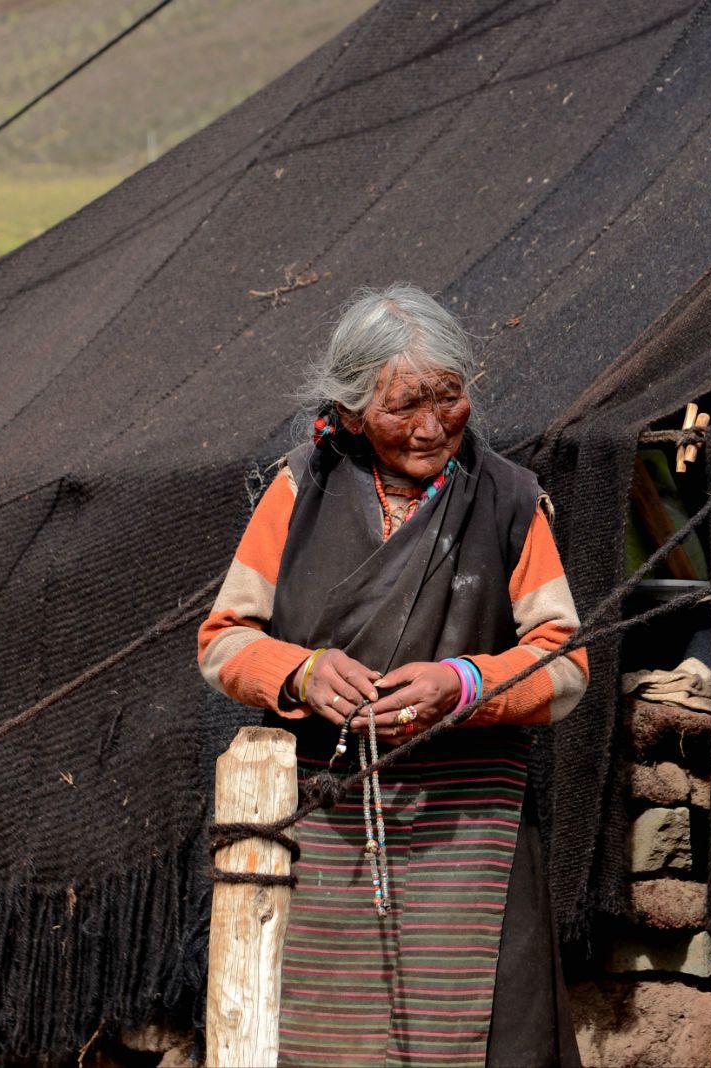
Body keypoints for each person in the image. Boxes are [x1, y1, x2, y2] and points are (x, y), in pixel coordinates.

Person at [197, 284, 588, 1067]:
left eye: (449, 397)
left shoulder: (507, 498)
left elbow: (565, 662)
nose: (432, 425)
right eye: (405, 405)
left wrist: (466, 684)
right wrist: (301, 673)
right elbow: (221, 641)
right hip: (329, 827)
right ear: (347, 412)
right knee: (324, 1040)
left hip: (473, 832)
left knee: (489, 1040)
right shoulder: (296, 489)